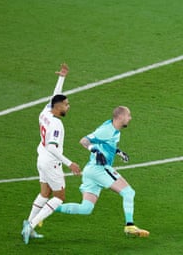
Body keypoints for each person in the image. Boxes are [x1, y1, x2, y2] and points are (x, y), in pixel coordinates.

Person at [55, 106, 150, 237]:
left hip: (90, 171)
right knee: (128, 192)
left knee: (86, 208)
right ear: (121, 117)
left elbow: (108, 144)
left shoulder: (114, 129)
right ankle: (130, 226)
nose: (130, 118)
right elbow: (84, 140)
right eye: (128, 115)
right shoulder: (106, 130)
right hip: (99, 168)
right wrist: (94, 150)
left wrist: (119, 152)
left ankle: (48, 208)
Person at [22, 63, 81, 244]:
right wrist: (69, 163)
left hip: (41, 159)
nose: (68, 107)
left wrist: (62, 77)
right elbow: (52, 147)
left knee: (44, 192)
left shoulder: (45, 112)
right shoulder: (56, 124)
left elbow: (54, 96)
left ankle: (27, 225)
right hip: (51, 161)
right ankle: (31, 225)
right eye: (66, 104)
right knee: (59, 197)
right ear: (58, 107)